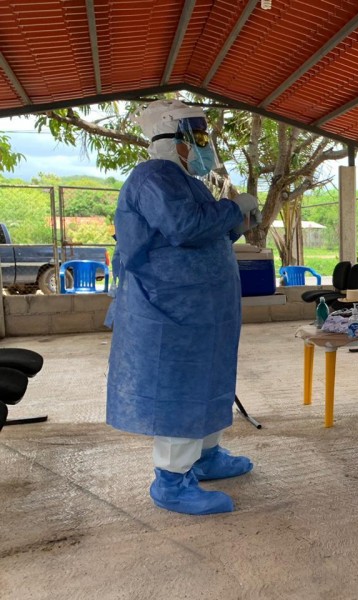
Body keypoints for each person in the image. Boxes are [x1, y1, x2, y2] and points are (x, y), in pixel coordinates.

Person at [105, 99, 262, 516]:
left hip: (201, 313)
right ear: (177, 140)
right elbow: (184, 227)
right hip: (172, 313)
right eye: (200, 138)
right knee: (181, 392)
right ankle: (171, 482)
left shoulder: (181, 180)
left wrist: (234, 222)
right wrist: (233, 208)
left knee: (207, 383)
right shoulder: (152, 176)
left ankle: (206, 456)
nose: (205, 147)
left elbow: (204, 234)